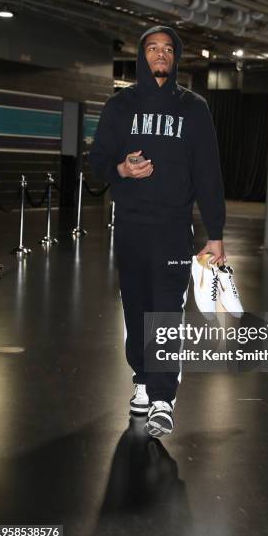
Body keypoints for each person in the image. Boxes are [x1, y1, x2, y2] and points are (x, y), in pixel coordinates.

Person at [89, 25, 226, 437]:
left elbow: (208, 174)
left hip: (172, 230)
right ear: (142, 56)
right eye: (152, 48)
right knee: (135, 309)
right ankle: (144, 380)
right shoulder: (120, 106)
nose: (160, 55)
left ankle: (164, 397)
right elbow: (95, 164)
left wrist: (215, 232)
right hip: (130, 228)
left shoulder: (194, 108)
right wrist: (121, 170)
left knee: (165, 311)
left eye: (168, 49)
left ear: (177, 56)